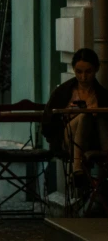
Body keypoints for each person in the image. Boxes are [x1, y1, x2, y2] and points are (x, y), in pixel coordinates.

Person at [43, 48, 108, 187]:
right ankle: (77, 167)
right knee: (85, 116)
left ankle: (103, 163)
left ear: (96, 69)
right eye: (79, 72)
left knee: (99, 116)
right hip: (67, 139)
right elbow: (48, 121)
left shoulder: (101, 95)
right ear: (73, 69)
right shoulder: (63, 92)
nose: (83, 77)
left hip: (93, 139)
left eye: (88, 72)